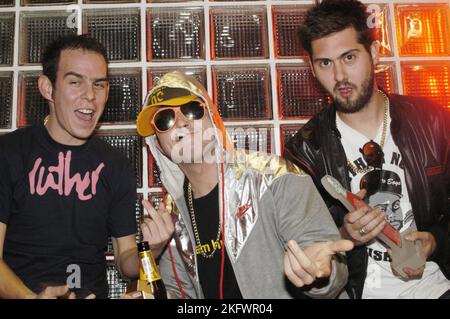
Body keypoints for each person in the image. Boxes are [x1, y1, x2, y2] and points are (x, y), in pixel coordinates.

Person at [283, 0, 450, 299]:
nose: (339, 76)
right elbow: (306, 248)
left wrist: (435, 242)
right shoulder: (304, 152)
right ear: (311, 67)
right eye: (325, 63)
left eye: (349, 57)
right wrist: (345, 235)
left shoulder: (433, 121)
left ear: (373, 53)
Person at [136, 70, 353, 299]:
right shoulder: (173, 217)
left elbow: (327, 261)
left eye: (192, 109)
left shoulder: (274, 177)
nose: (180, 122)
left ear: (212, 118)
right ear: (158, 145)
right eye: (164, 120)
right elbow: (181, 294)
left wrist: (319, 274)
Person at [0, 35, 173, 299]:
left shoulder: (115, 164)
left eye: (99, 85)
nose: (90, 96)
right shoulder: (9, 152)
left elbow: (125, 263)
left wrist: (152, 249)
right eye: (75, 82)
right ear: (48, 88)